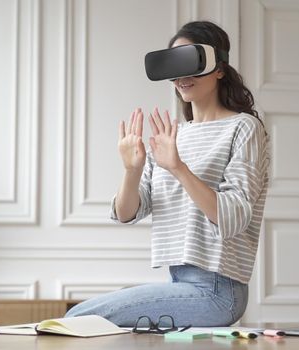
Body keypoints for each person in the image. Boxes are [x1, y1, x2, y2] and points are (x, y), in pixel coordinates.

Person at [65, 21, 270, 328]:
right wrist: (132, 171)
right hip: (179, 283)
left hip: (217, 292)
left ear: (219, 69)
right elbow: (126, 214)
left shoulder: (243, 128)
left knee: (78, 318)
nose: (181, 77)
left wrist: (178, 168)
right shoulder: (173, 135)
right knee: (91, 323)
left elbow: (235, 215)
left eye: (190, 64)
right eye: (174, 67)